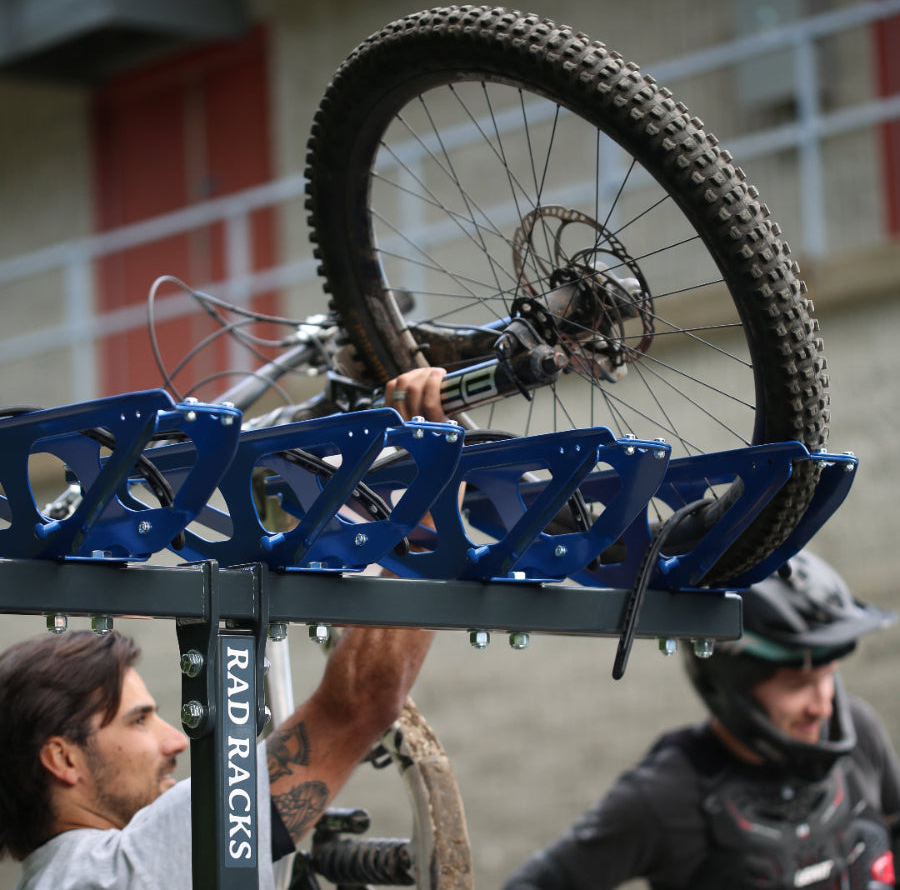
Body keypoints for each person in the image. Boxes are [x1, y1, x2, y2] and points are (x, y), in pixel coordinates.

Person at [0, 367, 448, 890]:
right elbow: (359, 700)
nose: (177, 741)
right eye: (139, 721)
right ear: (62, 758)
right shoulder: (120, 870)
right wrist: (432, 496)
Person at [503, 550, 900, 889]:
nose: (824, 706)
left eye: (828, 676)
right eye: (797, 685)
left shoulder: (858, 732)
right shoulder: (668, 796)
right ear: (731, 682)